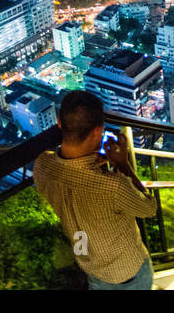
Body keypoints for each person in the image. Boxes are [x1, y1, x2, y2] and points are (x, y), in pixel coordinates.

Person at [32, 91, 157, 290]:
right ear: (97, 131)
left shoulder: (42, 166)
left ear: (59, 123)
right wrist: (122, 164)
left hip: (90, 268)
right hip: (129, 273)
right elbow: (148, 208)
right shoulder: (112, 186)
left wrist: (99, 168)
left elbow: (77, 186)